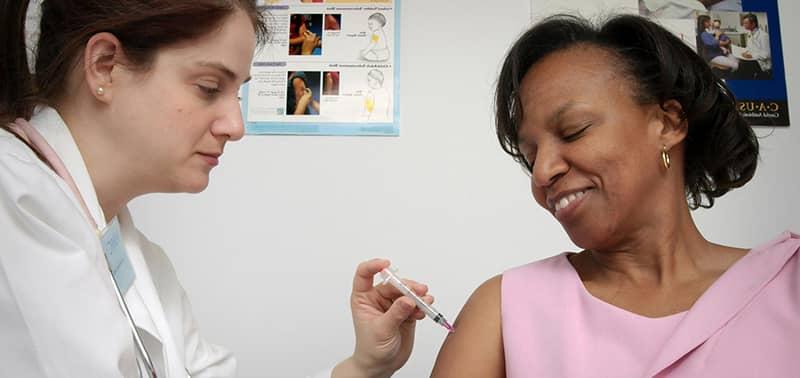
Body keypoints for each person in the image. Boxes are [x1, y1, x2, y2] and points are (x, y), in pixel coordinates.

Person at [1, 1, 434, 376]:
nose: (236, 127)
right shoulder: (13, 197)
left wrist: (365, 365)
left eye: (238, 95)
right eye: (209, 88)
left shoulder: (137, 254)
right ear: (105, 65)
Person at [432, 14, 798, 377]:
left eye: (573, 131)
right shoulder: (502, 309)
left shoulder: (787, 283)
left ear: (667, 124)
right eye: (530, 158)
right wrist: (371, 366)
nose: (542, 173)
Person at [741, 13, 771, 79]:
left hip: (762, 64)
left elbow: (767, 54)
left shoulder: (763, 36)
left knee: (743, 66)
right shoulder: (750, 33)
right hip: (753, 60)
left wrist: (752, 56)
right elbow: (749, 48)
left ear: (753, 24)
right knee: (740, 62)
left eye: (746, 23)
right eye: (743, 23)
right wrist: (744, 52)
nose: (744, 25)